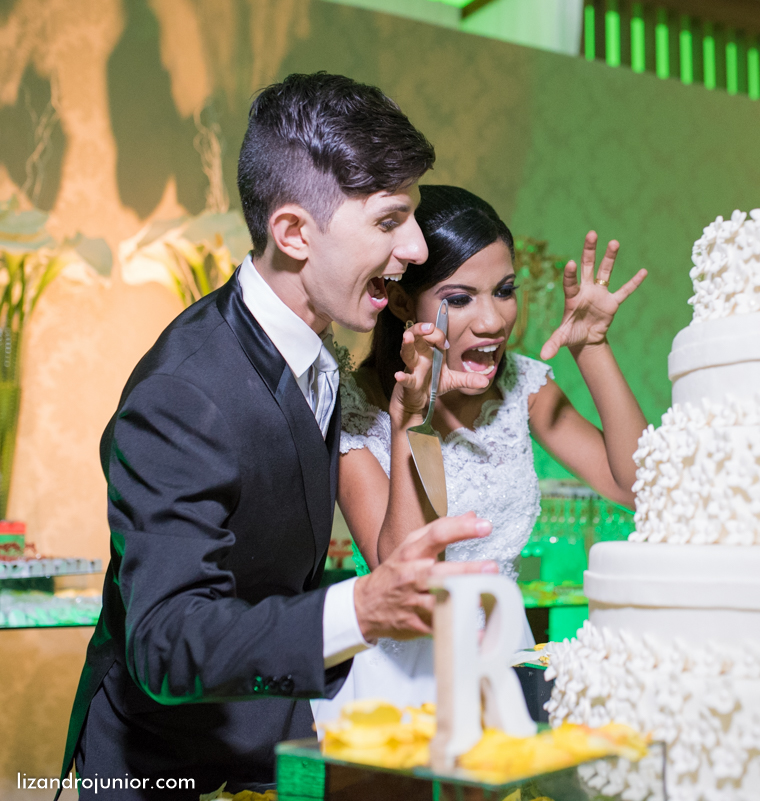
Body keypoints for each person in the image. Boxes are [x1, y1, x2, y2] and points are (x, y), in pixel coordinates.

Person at [59, 74, 498, 799]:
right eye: (390, 220)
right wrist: (358, 609)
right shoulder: (183, 395)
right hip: (165, 761)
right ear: (294, 233)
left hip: (266, 733)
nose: (418, 247)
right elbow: (165, 641)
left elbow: (278, 569)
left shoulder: (312, 347)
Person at [319, 185, 648, 716]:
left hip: (505, 662)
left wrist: (592, 347)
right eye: (459, 298)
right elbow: (408, 572)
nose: (493, 320)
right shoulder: (355, 409)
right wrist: (413, 420)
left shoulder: (522, 386)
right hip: (405, 683)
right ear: (401, 302)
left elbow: (638, 486)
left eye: (504, 290)